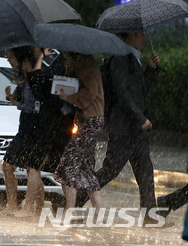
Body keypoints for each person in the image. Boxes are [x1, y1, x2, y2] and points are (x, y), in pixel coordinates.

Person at [75, 32, 160, 222]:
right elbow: (122, 94)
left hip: (136, 130)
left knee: (145, 172)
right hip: (124, 128)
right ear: (131, 35)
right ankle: (74, 201)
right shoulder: (120, 58)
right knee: (110, 170)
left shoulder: (133, 58)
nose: (145, 38)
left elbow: (139, 90)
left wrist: (150, 69)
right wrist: (140, 118)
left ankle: (149, 216)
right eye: (141, 34)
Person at [12, 49, 73, 217]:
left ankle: (27, 208)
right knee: (62, 170)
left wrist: (40, 57)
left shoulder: (57, 67)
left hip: (50, 126)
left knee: (34, 167)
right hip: (63, 124)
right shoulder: (72, 67)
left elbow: (38, 80)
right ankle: (69, 208)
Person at [54, 52, 104, 223]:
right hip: (87, 120)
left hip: (90, 120)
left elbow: (88, 94)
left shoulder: (86, 64)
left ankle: (71, 210)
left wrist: (67, 97)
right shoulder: (79, 63)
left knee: (69, 165)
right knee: (85, 167)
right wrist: (70, 68)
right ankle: (99, 214)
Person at [1, 46, 39, 214]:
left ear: (23, 60)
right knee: (9, 165)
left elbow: (32, 107)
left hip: (32, 130)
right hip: (24, 129)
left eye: (11, 57)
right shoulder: (23, 77)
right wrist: (13, 96)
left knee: (31, 169)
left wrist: (17, 104)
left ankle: (31, 208)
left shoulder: (34, 78)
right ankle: (13, 205)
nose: (9, 60)